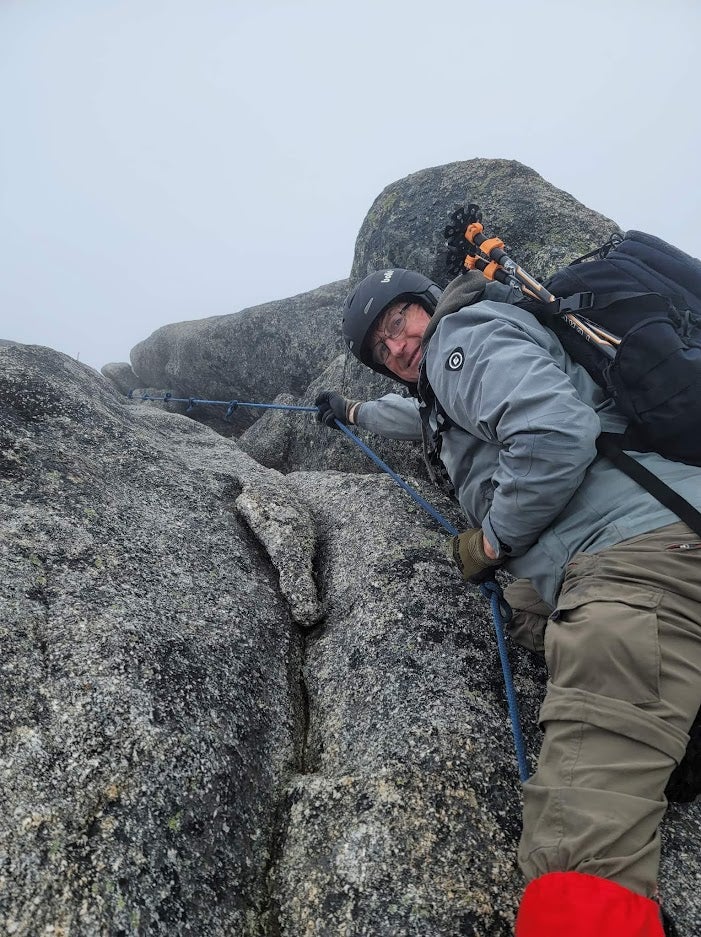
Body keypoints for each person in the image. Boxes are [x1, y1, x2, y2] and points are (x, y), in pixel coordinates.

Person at [315, 266, 701, 936]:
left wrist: (491, 543)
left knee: (573, 846)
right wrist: (349, 412)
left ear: (426, 307)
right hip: (650, 532)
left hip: (633, 552)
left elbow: (553, 434)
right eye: (382, 347)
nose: (400, 345)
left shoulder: (459, 339)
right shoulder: (450, 375)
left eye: (400, 321)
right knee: (531, 616)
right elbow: (418, 416)